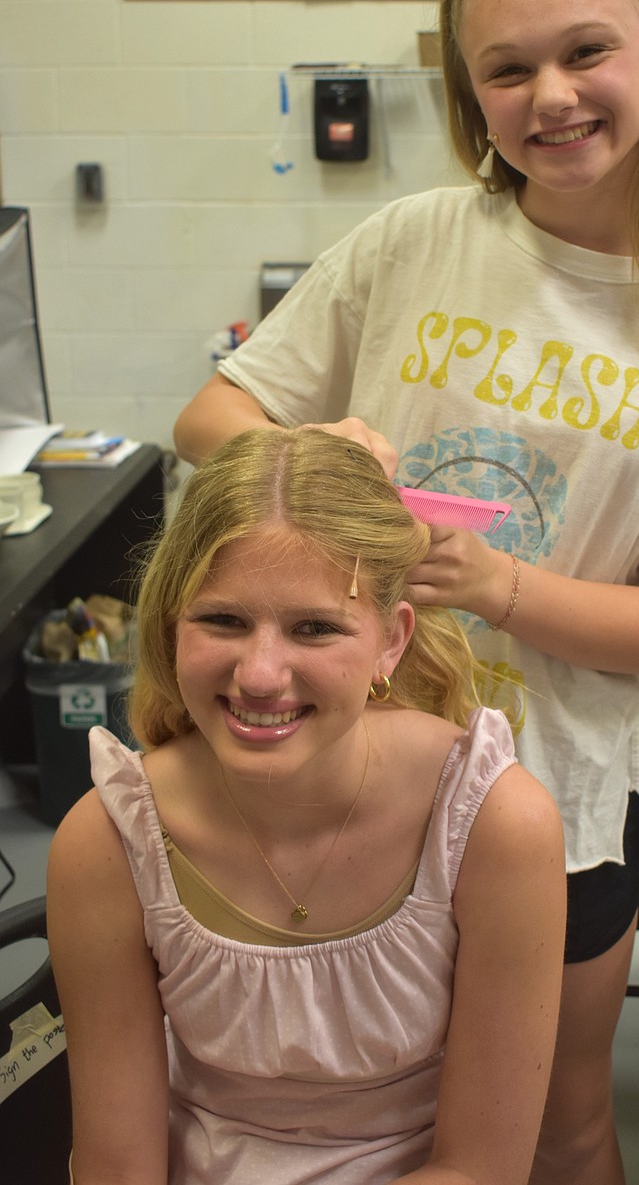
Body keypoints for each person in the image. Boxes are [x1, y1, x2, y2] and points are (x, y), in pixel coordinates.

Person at [173, 0, 639, 1185]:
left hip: (553, 802)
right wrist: (323, 451)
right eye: (506, 70)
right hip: (335, 767)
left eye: (585, 54)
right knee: (362, 1115)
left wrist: (496, 584)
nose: (549, 96)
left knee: (553, 1130)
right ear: (469, 94)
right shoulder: (417, 240)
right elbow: (210, 414)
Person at [46, 426, 566, 1185]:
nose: (260, 674)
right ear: (170, 623)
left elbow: (481, 1167)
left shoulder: (492, 825)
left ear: (391, 641)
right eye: (222, 620)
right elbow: (117, 1165)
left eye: (315, 628)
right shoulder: (108, 843)